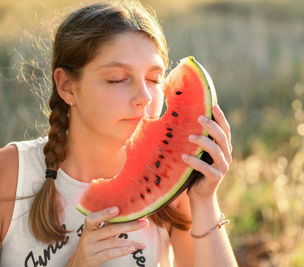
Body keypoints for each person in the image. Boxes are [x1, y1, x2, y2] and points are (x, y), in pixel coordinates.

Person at [0, 1, 237, 266]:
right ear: (67, 86)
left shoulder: (173, 188)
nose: (144, 97)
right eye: (117, 79)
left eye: (154, 79)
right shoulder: (11, 175)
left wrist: (204, 201)